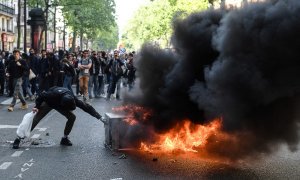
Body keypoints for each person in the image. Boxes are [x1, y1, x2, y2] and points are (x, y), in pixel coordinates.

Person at [12, 86, 103, 149]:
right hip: (49, 103)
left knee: (72, 117)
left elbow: (87, 108)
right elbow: (41, 95)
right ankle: (19, 139)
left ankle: (64, 138)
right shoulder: (50, 96)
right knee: (36, 119)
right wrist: (37, 107)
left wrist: (100, 118)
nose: (70, 110)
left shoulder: (73, 99)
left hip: (60, 102)